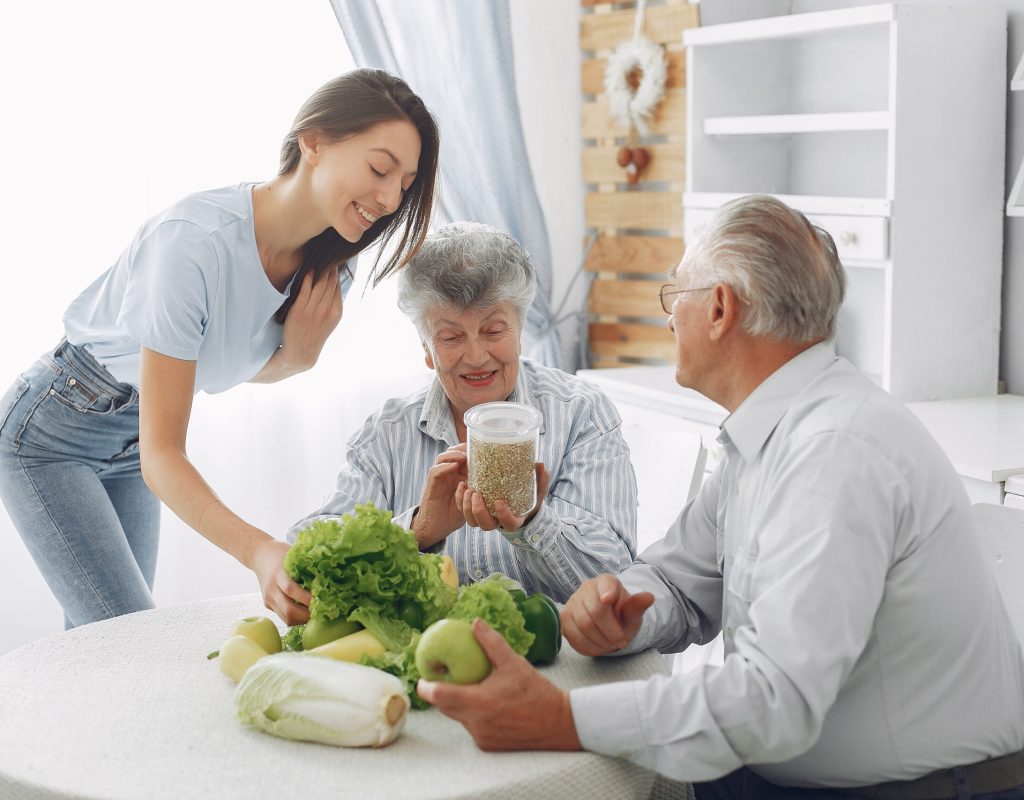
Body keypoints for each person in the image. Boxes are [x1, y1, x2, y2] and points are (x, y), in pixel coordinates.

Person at [418, 195, 1024, 798]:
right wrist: (622, 611)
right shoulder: (768, 434)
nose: (668, 319)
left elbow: (774, 699)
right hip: (789, 774)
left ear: (718, 309)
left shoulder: (834, 451)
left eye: (674, 296)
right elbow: (680, 582)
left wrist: (562, 719)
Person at [0, 69, 439, 629]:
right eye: (380, 168)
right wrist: (259, 551)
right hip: (52, 433)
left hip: (131, 436)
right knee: (124, 638)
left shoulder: (330, 268)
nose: (390, 197)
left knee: (100, 642)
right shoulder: (192, 244)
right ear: (314, 139)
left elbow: (219, 364)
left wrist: (299, 358)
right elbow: (166, 453)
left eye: (405, 182)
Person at [288, 222, 636, 602]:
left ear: (520, 331)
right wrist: (418, 531)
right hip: (429, 655)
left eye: (493, 331)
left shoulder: (581, 414)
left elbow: (613, 582)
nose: (475, 356)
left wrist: (533, 523)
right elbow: (306, 558)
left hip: (557, 654)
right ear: (426, 348)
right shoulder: (386, 433)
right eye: (451, 337)